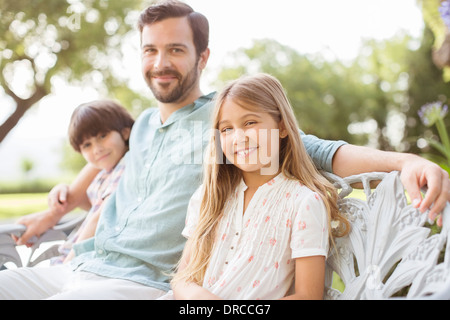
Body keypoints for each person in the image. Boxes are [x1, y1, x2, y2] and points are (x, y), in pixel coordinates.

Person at [0, 0, 448, 300]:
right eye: (150, 50)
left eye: (175, 49)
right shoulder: (137, 130)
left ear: (202, 56)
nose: (160, 63)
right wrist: (57, 209)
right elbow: (105, 170)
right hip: (79, 263)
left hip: (136, 284)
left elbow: (318, 150)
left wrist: (405, 159)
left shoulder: (221, 121)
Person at [171, 73, 350, 300]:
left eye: (250, 123)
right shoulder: (208, 196)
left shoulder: (303, 203)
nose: (238, 137)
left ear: (282, 127)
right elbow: (183, 280)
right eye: (226, 129)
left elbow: (308, 296)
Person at [52, 100, 134, 264]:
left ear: (125, 133)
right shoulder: (104, 174)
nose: (97, 149)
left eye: (102, 136)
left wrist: (68, 262)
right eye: (87, 145)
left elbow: (103, 215)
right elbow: (91, 205)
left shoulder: (127, 164)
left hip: (90, 257)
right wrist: (62, 188)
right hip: (80, 253)